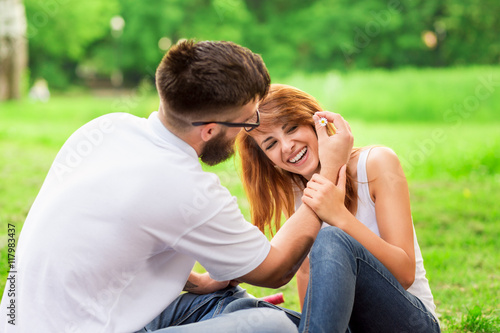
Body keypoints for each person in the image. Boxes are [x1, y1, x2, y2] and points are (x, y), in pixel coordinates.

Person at [0, 41, 353, 332]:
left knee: (222, 300)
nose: (251, 126)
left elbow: (103, 239)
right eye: (248, 119)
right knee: (271, 327)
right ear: (211, 130)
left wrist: (196, 283)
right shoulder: (186, 188)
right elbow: (275, 270)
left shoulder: (107, 128)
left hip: (29, 321)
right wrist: (331, 166)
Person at [236, 84, 441, 332]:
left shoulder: (376, 163)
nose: (287, 145)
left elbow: (405, 274)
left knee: (331, 237)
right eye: (271, 144)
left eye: (291, 128)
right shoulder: (295, 189)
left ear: (316, 123)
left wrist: (340, 217)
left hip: (408, 323)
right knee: (252, 315)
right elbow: (305, 272)